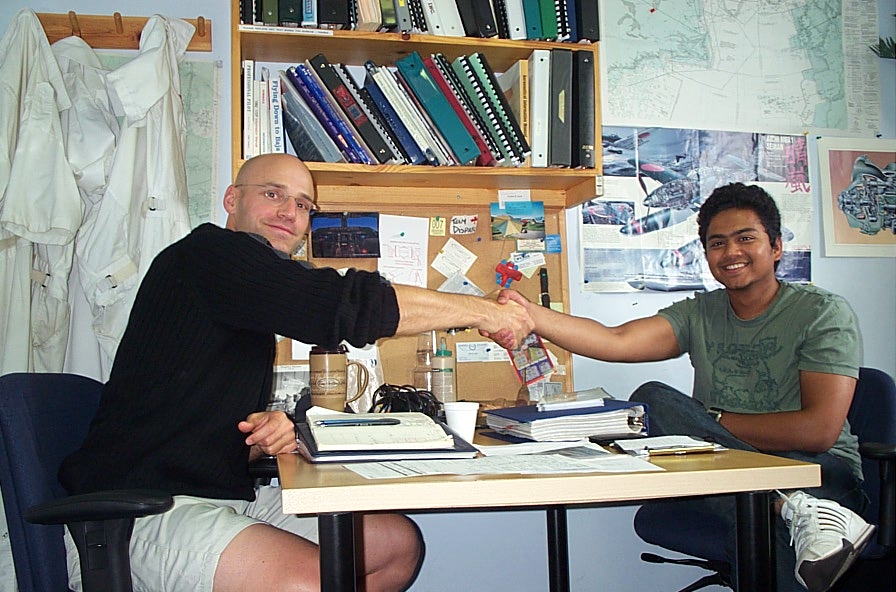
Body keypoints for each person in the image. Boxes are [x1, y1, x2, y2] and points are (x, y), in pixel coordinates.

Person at [58, 153, 534, 592]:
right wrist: (483, 312)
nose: (290, 212)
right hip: (134, 512)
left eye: (304, 205)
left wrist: (257, 434)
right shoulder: (208, 256)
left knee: (396, 545)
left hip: (219, 496)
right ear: (232, 199)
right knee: (311, 582)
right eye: (273, 194)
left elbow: (189, 412)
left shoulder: (243, 293)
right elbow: (343, 306)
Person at [490, 183, 874, 592]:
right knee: (653, 401)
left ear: (776, 247)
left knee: (748, 517)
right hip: (729, 472)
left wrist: (707, 424)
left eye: (746, 238)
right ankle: (787, 506)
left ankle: (792, 506)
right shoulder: (701, 313)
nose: (731, 253)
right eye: (717, 243)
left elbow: (819, 431)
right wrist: (531, 316)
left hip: (817, 474)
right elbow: (615, 340)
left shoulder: (822, 313)